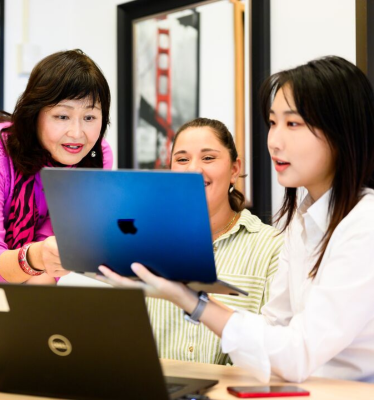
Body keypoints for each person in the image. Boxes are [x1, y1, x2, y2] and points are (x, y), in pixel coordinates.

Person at [100, 56, 374, 383]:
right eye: (272, 123)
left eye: (293, 123)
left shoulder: (364, 225)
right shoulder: (300, 223)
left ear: (341, 131)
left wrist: (193, 302)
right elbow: (272, 329)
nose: (274, 140)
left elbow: (297, 354)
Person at [0, 49, 113, 350]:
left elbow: (51, 245)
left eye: (90, 116)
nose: (77, 132)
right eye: (62, 115)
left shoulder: (96, 156)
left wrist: (29, 309)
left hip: (26, 282)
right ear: (34, 113)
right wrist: (38, 258)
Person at [147, 118, 282, 364]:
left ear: (234, 169)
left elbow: (275, 347)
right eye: (182, 159)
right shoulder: (145, 243)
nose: (193, 169)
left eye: (208, 158)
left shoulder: (274, 247)